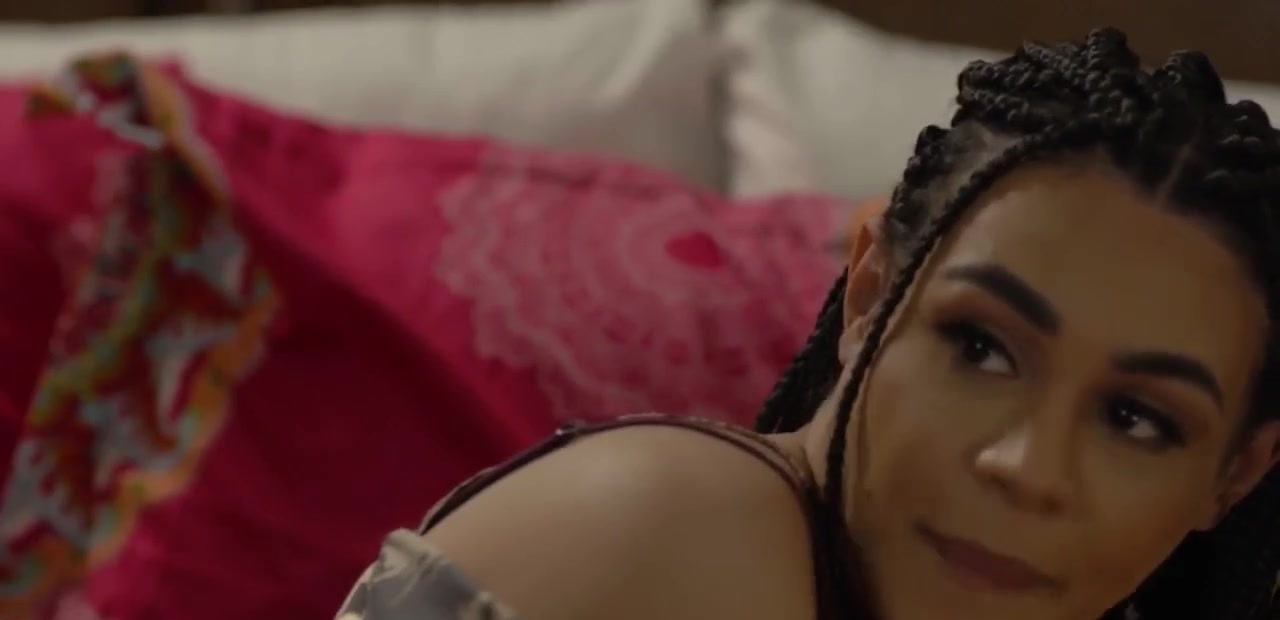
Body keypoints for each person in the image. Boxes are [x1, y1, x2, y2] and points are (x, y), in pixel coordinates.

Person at [335, 28, 1280, 620]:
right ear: (868, 292)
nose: (1028, 468)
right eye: (981, 348)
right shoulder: (675, 532)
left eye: (1136, 419)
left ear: (1236, 474)